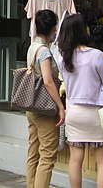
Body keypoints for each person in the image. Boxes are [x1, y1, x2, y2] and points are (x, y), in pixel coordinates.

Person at [56, 13, 103, 188]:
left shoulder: (62, 57)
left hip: (73, 111)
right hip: (95, 113)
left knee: (75, 159)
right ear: (83, 30)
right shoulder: (96, 55)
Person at [25, 10, 65, 188]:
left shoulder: (32, 47)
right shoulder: (44, 52)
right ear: (54, 28)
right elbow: (48, 82)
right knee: (48, 156)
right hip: (44, 108)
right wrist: (60, 107)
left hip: (31, 107)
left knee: (33, 152)